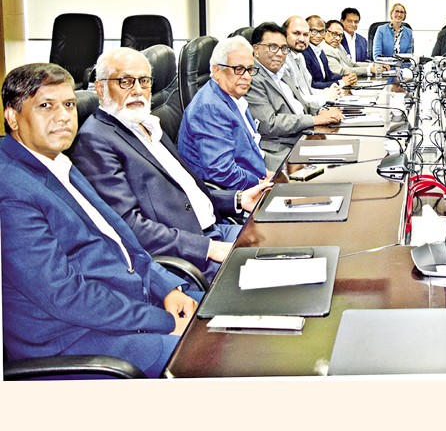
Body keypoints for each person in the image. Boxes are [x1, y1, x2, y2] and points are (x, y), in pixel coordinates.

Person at [1, 63, 199, 378]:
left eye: (69, 104)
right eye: (46, 106)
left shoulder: (57, 160)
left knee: (232, 318)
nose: (63, 116)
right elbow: (64, 296)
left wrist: (167, 288)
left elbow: (121, 238)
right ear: (13, 117)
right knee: (212, 360)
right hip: (75, 340)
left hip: (127, 306)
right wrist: (160, 321)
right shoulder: (11, 189)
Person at [72, 48, 269, 281]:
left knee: (289, 244)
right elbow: (128, 226)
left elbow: (183, 191)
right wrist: (208, 248)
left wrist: (237, 199)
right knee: (280, 276)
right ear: (100, 87)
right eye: (125, 81)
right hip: (189, 256)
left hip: (214, 230)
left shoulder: (146, 124)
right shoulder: (95, 140)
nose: (137, 90)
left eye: (144, 81)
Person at [178, 36, 271, 190]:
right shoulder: (209, 108)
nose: (247, 76)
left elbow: (248, 151)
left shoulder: (233, 96)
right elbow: (222, 171)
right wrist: (260, 183)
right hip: (233, 193)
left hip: (252, 179)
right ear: (217, 70)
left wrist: (266, 175)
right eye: (238, 69)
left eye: (250, 69)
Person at [246, 21, 343, 169]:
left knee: (345, 157)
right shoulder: (252, 78)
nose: (280, 53)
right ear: (256, 49)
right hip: (281, 150)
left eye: (283, 48)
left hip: (303, 138)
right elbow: (269, 124)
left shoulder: (281, 72)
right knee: (337, 169)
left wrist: (321, 111)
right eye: (273, 47)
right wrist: (314, 119)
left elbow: (300, 105)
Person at [283, 14, 341, 109]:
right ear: (284, 34)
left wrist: (328, 92)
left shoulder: (299, 56)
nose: (302, 39)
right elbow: (297, 100)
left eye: (306, 34)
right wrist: (325, 97)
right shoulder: (283, 60)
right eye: (296, 33)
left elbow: (308, 90)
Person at [303, 15, 357, 89]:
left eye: (322, 32)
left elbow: (329, 76)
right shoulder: (304, 52)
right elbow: (311, 85)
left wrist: (347, 77)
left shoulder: (319, 50)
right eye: (314, 31)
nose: (318, 35)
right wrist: (341, 82)